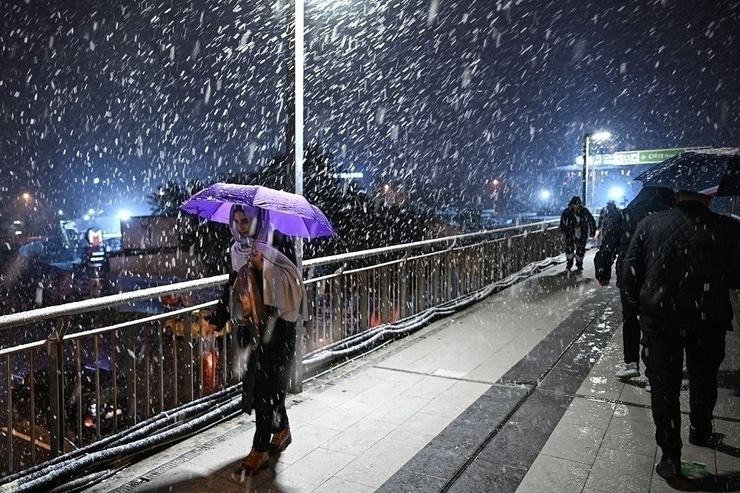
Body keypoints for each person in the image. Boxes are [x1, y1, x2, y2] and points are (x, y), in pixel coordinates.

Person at [622, 189, 740, 481]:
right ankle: (700, 428)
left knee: (664, 385)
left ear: (677, 194)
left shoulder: (651, 224)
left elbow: (630, 270)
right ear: (710, 197)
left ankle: (671, 457)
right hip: (707, 319)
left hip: (660, 319)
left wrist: (636, 309)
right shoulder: (728, 227)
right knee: (704, 377)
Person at [203, 204, 306, 474]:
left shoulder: (278, 239)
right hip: (255, 327)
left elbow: (292, 279)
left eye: (245, 219)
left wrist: (265, 268)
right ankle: (281, 428)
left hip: (281, 325)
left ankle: (259, 449)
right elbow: (232, 285)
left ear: (258, 218)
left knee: (267, 386)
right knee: (265, 384)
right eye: (236, 221)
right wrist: (218, 318)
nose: (241, 226)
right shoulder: (239, 251)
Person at [594, 187, 675, 384]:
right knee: (658, 322)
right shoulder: (670, 216)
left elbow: (608, 244)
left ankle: (631, 363)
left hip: (629, 275)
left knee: (630, 318)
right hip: (660, 276)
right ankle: (654, 372)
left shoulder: (627, 214)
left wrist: (603, 271)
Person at [559, 196, 596, 271]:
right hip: (570, 233)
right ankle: (569, 264)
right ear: (571, 205)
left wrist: (592, 231)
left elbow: (591, 221)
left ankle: (579, 263)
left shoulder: (584, 211)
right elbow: (562, 222)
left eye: (577, 205)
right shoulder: (566, 212)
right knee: (569, 249)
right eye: (574, 205)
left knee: (581, 249)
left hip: (582, 233)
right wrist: (563, 230)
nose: (576, 206)